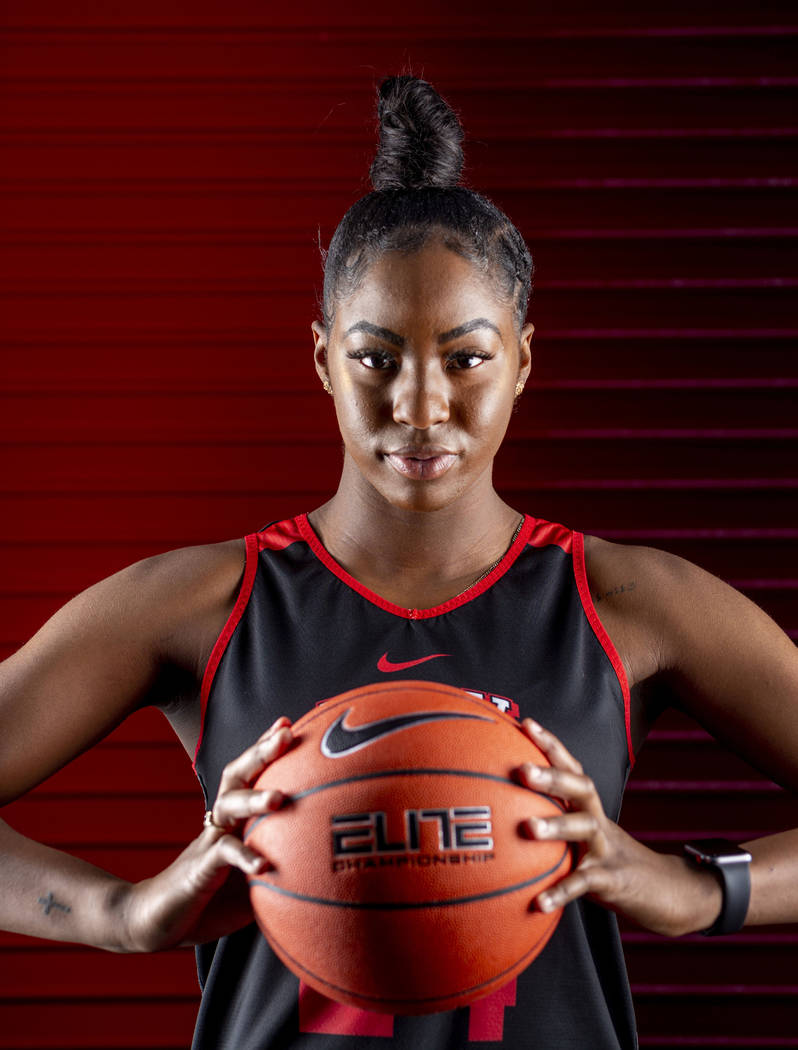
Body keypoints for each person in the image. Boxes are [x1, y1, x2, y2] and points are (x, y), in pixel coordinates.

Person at [1, 73, 797, 1050]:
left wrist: (697, 888)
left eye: (466, 358)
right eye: (377, 358)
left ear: (525, 360)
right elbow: (121, 908)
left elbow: (693, 885)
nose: (420, 407)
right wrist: (120, 915)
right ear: (324, 358)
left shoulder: (627, 602)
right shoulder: (203, 604)